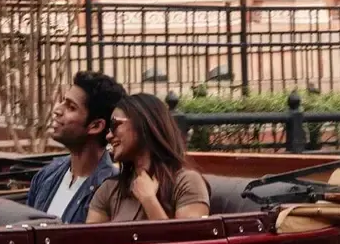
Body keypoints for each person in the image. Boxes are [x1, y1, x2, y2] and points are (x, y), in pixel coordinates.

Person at [86, 93, 211, 224]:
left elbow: (188, 243)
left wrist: (149, 201)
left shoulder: (187, 182)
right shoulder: (109, 189)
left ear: (143, 123)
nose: (109, 136)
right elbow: (91, 241)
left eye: (115, 125)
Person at [25, 71, 124, 224]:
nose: (57, 110)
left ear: (96, 126)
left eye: (71, 107)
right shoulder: (47, 175)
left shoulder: (112, 189)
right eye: (63, 101)